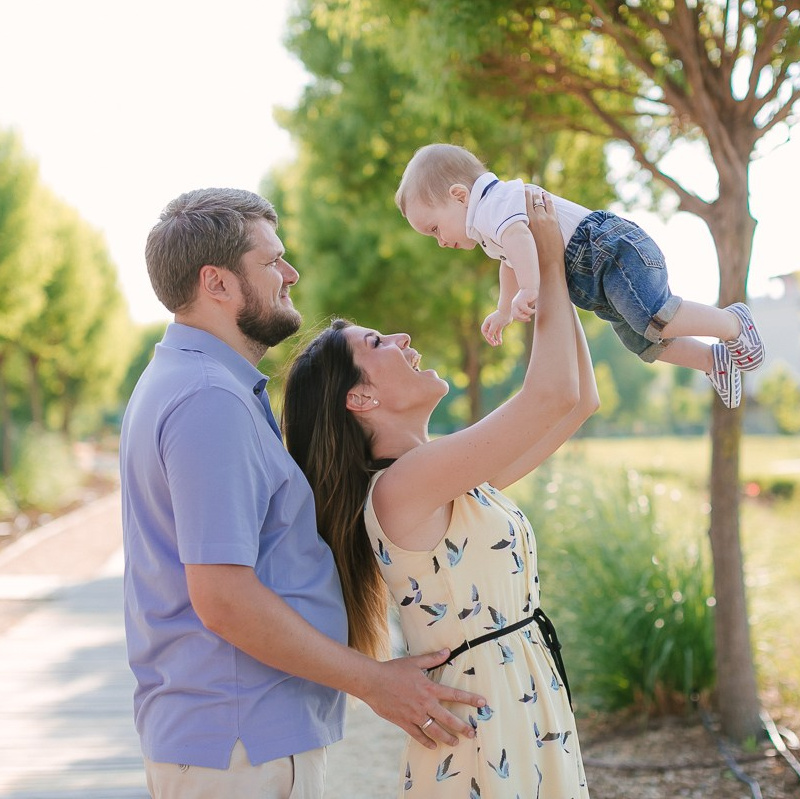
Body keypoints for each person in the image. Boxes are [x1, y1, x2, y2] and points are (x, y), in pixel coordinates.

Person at [119, 187, 485, 799]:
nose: (290, 275)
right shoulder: (209, 399)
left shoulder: (196, 383)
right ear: (218, 283)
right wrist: (373, 681)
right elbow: (222, 598)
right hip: (241, 744)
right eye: (271, 261)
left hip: (234, 740)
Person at [283, 188, 598, 798]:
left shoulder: (444, 475)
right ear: (361, 399)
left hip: (523, 705)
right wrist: (547, 266)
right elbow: (550, 395)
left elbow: (579, 400)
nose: (401, 337)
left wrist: (554, 277)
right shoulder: (402, 488)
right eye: (378, 345)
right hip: (485, 724)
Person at [395, 142, 766, 410]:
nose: (440, 242)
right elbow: (508, 260)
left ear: (460, 195)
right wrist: (505, 309)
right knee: (643, 341)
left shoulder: (495, 201)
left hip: (610, 249)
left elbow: (520, 237)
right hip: (597, 279)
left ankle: (732, 322)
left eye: (434, 229)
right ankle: (712, 361)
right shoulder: (489, 231)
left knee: (655, 316)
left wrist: (529, 288)